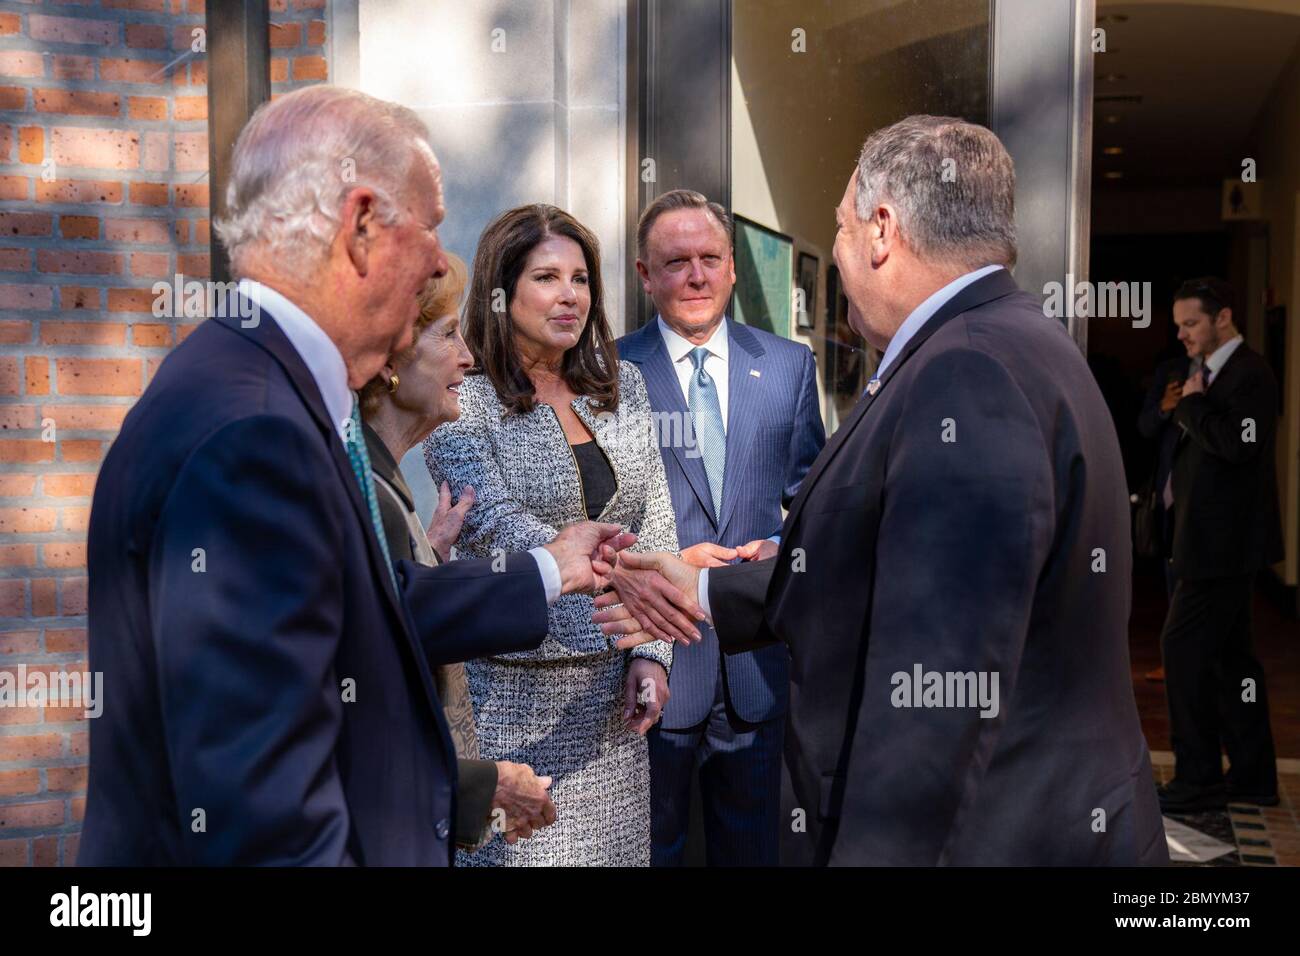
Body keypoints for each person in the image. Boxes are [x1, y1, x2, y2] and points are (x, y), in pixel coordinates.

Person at [597, 115, 1169, 866]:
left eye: (838, 228)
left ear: (881, 231)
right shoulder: (1012, 339)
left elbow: (939, 691)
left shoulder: (968, 374)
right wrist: (701, 589)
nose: (835, 253)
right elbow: (879, 572)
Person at [79, 86, 629, 866]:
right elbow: (269, 824)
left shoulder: (257, 387)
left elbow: (360, 630)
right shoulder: (255, 434)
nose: (441, 263)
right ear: (362, 226)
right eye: (432, 229)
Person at [425, 204, 680, 866]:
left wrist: (652, 653)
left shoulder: (624, 387)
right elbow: (494, 521)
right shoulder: (460, 395)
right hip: (511, 702)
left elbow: (654, 519)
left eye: (581, 278)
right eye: (546, 277)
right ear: (501, 294)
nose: (570, 295)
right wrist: (615, 578)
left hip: (612, 715)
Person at [616, 189, 824, 866]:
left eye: (710, 258)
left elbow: (814, 504)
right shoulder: (609, 374)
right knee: (655, 854)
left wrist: (778, 546)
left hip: (757, 669)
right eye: (676, 262)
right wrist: (670, 558)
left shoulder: (788, 367)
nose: (697, 276)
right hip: (654, 669)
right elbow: (593, 518)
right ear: (645, 274)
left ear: (733, 267)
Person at [359, 253, 557, 850]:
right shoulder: (358, 485)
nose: (468, 360)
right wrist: (555, 564)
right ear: (391, 356)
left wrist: (430, 564)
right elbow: (367, 699)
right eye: (448, 336)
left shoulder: (387, 483)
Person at [1155, 277, 1282, 814]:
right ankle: (1253, 777)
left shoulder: (1250, 373)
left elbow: (1238, 445)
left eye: (1191, 324)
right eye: (1178, 326)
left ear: (1223, 317)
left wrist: (1192, 405)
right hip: (1211, 544)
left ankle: (1198, 777)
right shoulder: (1208, 373)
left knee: (1181, 652)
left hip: (1224, 548)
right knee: (1234, 663)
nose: (1182, 335)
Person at [1136, 343, 1201, 682]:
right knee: (1173, 583)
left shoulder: (1231, 375)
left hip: (1208, 498)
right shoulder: (1170, 372)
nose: (1184, 333)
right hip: (1170, 495)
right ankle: (1175, 662)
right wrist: (1165, 407)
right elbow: (1144, 427)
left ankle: (1202, 666)